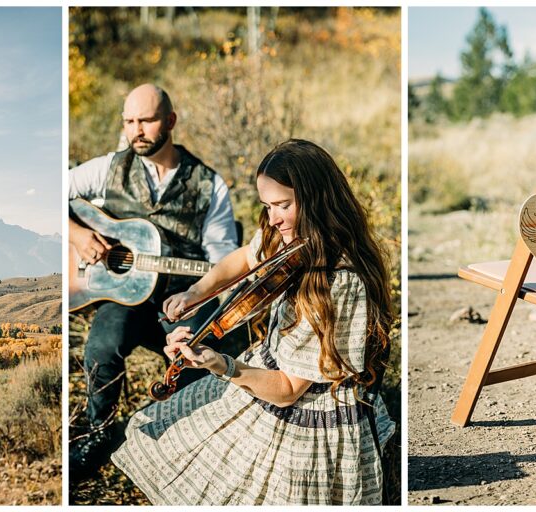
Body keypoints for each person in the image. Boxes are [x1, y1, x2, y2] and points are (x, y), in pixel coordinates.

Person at [111, 139, 397, 505]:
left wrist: (222, 364)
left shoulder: (340, 281)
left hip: (309, 413)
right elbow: (245, 258)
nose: (274, 218)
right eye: (267, 205)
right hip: (268, 374)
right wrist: (196, 293)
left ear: (317, 200)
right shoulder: (289, 238)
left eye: (283, 205)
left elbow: (289, 389)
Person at [68, 84, 244, 477]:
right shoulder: (108, 168)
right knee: (101, 345)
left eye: (145, 121)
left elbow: (223, 261)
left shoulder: (208, 184)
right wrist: (78, 236)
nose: (136, 131)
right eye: (129, 121)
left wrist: (200, 294)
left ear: (170, 121)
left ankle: (180, 439)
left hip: (185, 296)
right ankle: (99, 432)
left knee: (195, 352)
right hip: (123, 295)